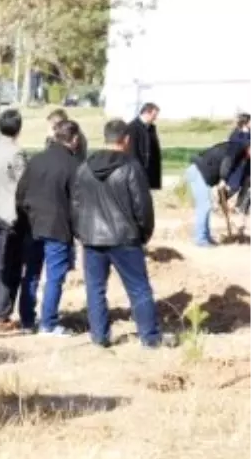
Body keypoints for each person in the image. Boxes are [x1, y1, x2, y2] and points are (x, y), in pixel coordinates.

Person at [72, 119, 174, 349]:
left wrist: (81, 232)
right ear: (126, 139)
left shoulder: (85, 167)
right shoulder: (131, 167)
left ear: (105, 138)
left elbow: (76, 204)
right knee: (139, 288)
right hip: (124, 237)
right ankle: (149, 337)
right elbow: (143, 206)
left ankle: (99, 337)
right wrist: (144, 233)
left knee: (95, 288)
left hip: (92, 238)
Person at [17, 120, 83, 336]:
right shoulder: (73, 165)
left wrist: (23, 216)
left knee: (31, 273)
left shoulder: (36, 159)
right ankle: (48, 322)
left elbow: (21, 192)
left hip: (32, 223)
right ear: (73, 139)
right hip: (58, 226)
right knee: (55, 276)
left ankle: (27, 320)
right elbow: (78, 200)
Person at [0, 109, 30, 332]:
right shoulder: (16, 153)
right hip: (11, 214)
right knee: (10, 264)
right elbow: (24, 184)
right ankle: (0, 311)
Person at [184, 137, 251, 247]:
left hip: (203, 174)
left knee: (206, 205)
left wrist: (225, 193)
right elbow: (227, 161)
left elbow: (234, 174)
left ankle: (206, 237)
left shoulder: (241, 154)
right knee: (204, 206)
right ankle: (200, 239)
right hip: (198, 171)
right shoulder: (237, 147)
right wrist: (223, 179)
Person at [125, 102, 162, 191]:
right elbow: (132, 151)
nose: (155, 118)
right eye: (154, 115)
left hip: (150, 171)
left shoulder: (151, 128)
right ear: (146, 112)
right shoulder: (132, 128)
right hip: (138, 170)